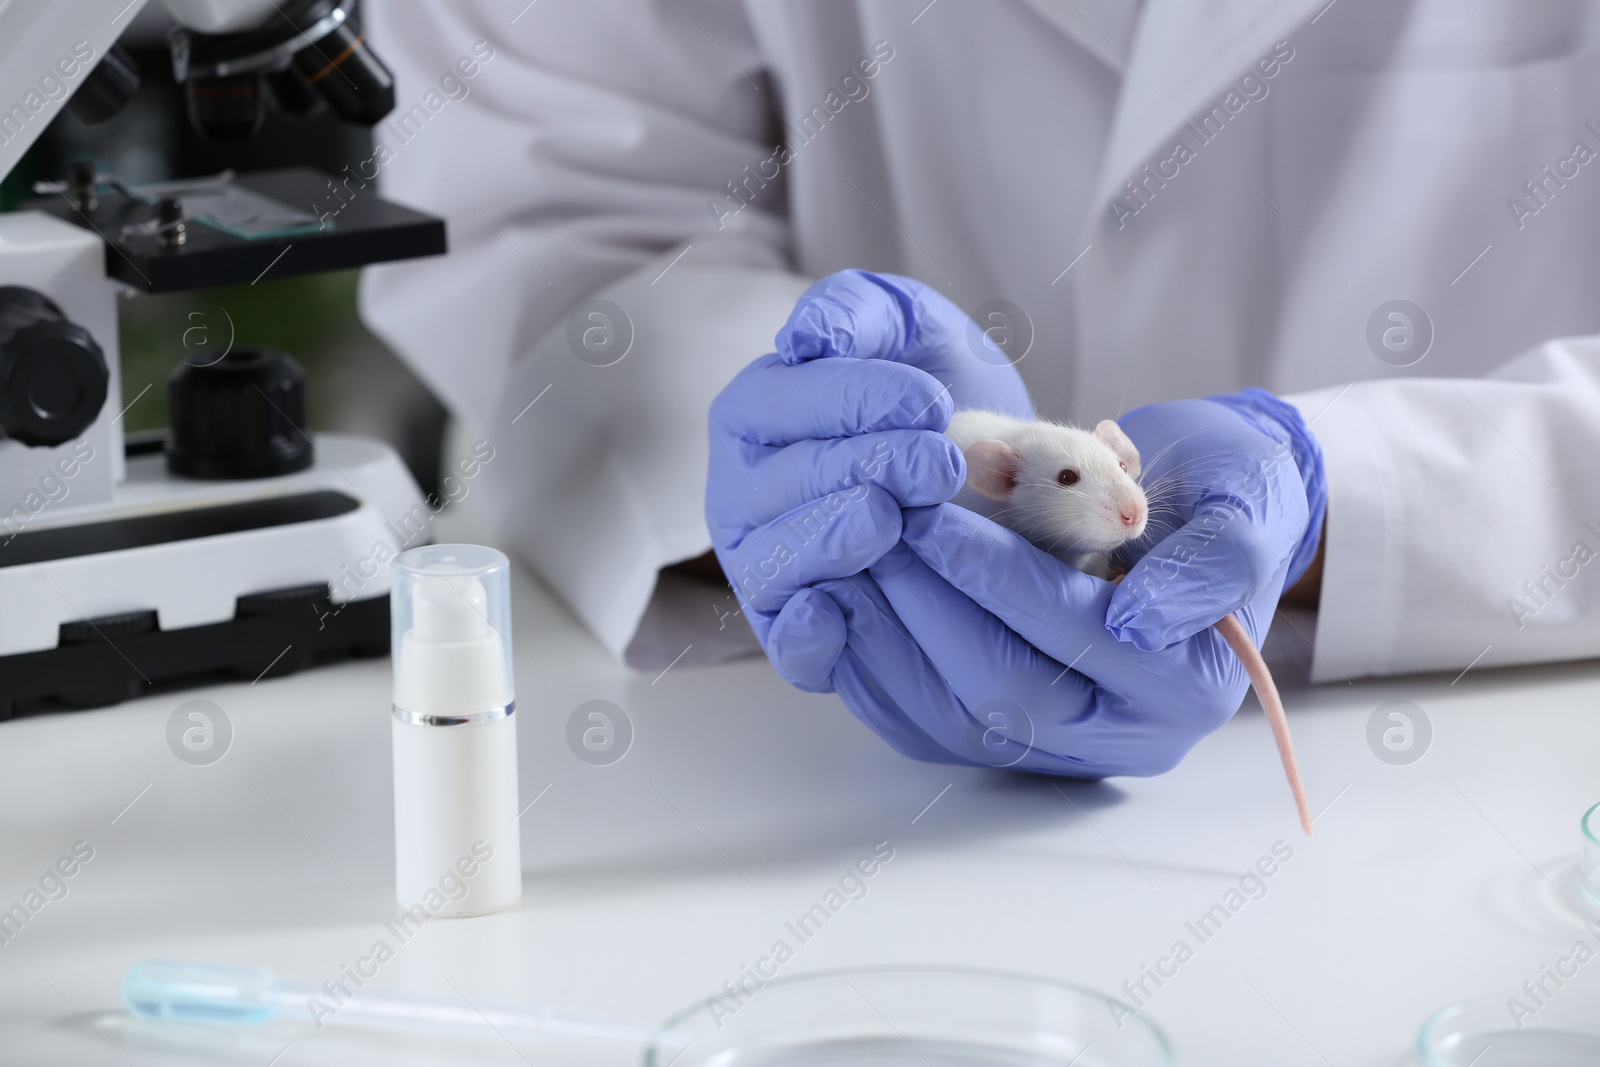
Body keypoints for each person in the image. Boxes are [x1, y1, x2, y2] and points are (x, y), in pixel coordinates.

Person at [361, 0, 1600, 776]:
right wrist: (782, 442)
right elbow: (551, 206)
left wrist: (1362, 494)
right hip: (783, 759)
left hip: (1507, 740)